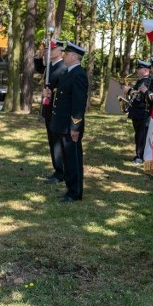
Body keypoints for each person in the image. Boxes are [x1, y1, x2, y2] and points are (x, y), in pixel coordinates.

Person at [51, 42, 89, 203]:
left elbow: (78, 103)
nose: (64, 56)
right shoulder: (68, 73)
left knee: (73, 160)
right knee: (67, 159)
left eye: (66, 54)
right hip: (62, 124)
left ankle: (75, 192)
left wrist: (75, 126)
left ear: (74, 57)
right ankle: (70, 189)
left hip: (70, 126)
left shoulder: (79, 74)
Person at [34, 40, 67, 183]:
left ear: (60, 51)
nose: (49, 51)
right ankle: (58, 169)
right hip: (48, 110)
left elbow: (64, 91)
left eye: (52, 49)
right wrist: (37, 57)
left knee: (58, 142)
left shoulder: (64, 67)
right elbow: (40, 70)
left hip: (57, 111)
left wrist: (50, 95)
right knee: (52, 141)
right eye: (48, 49)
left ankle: (62, 171)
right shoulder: (50, 67)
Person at [126, 59, 153, 164]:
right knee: (138, 134)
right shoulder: (140, 80)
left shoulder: (147, 81)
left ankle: (140, 156)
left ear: (146, 70)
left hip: (142, 112)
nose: (136, 70)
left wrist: (128, 91)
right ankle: (138, 154)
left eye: (139, 68)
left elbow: (140, 97)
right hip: (137, 112)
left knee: (142, 135)